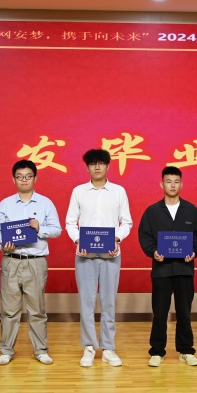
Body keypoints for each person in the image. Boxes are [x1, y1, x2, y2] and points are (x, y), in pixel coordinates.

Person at [65, 149, 133, 367]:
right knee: (86, 302)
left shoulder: (118, 191)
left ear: (107, 166)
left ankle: (108, 348)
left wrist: (117, 239)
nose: (97, 167)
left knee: (108, 302)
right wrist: (79, 240)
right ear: (87, 167)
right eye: (93, 163)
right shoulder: (79, 192)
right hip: (85, 255)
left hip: (111, 254)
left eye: (101, 163)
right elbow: (70, 222)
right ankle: (88, 347)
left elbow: (126, 222)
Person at [0, 160, 62, 365]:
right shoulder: (5, 204)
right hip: (11, 260)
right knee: (9, 311)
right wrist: (2, 244)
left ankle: (41, 350)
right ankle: (6, 350)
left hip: (36, 262)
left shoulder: (45, 203)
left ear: (35, 178)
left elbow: (57, 230)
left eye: (28, 176)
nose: (24, 180)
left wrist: (40, 228)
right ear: (13, 179)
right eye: (20, 177)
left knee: (37, 310)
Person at [138, 166, 197, 367]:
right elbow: (144, 236)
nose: (172, 185)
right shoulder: (152, 212)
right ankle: (157, 351)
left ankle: (186, 351)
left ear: (181, 184)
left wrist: (194, 251)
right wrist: (153, 252)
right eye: (168, 181)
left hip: (185, 269)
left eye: (176, 181)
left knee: (184, 312)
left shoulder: (191, 210)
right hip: (162, 270)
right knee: (160, 313)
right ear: (162, 184)